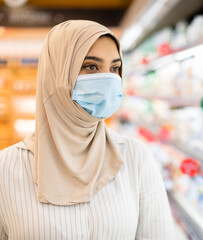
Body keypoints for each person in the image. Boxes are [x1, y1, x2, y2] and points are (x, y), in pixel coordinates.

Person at [0, 20, 174, 240]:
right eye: (91, 66)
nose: (109, 79)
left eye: (115, 68)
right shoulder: (5, 168)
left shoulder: (135, 157)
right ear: (57, 73)